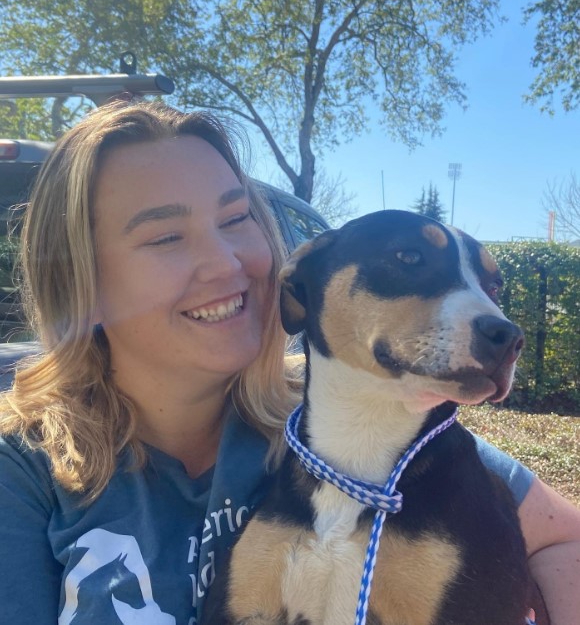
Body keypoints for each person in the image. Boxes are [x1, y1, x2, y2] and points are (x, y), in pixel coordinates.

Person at [0, 101, 578, 625]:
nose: (226, 263)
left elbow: (563, 540)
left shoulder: (349, 423)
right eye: (166, 236)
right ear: (83, 285)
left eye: (235, 219)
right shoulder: (23, 472)